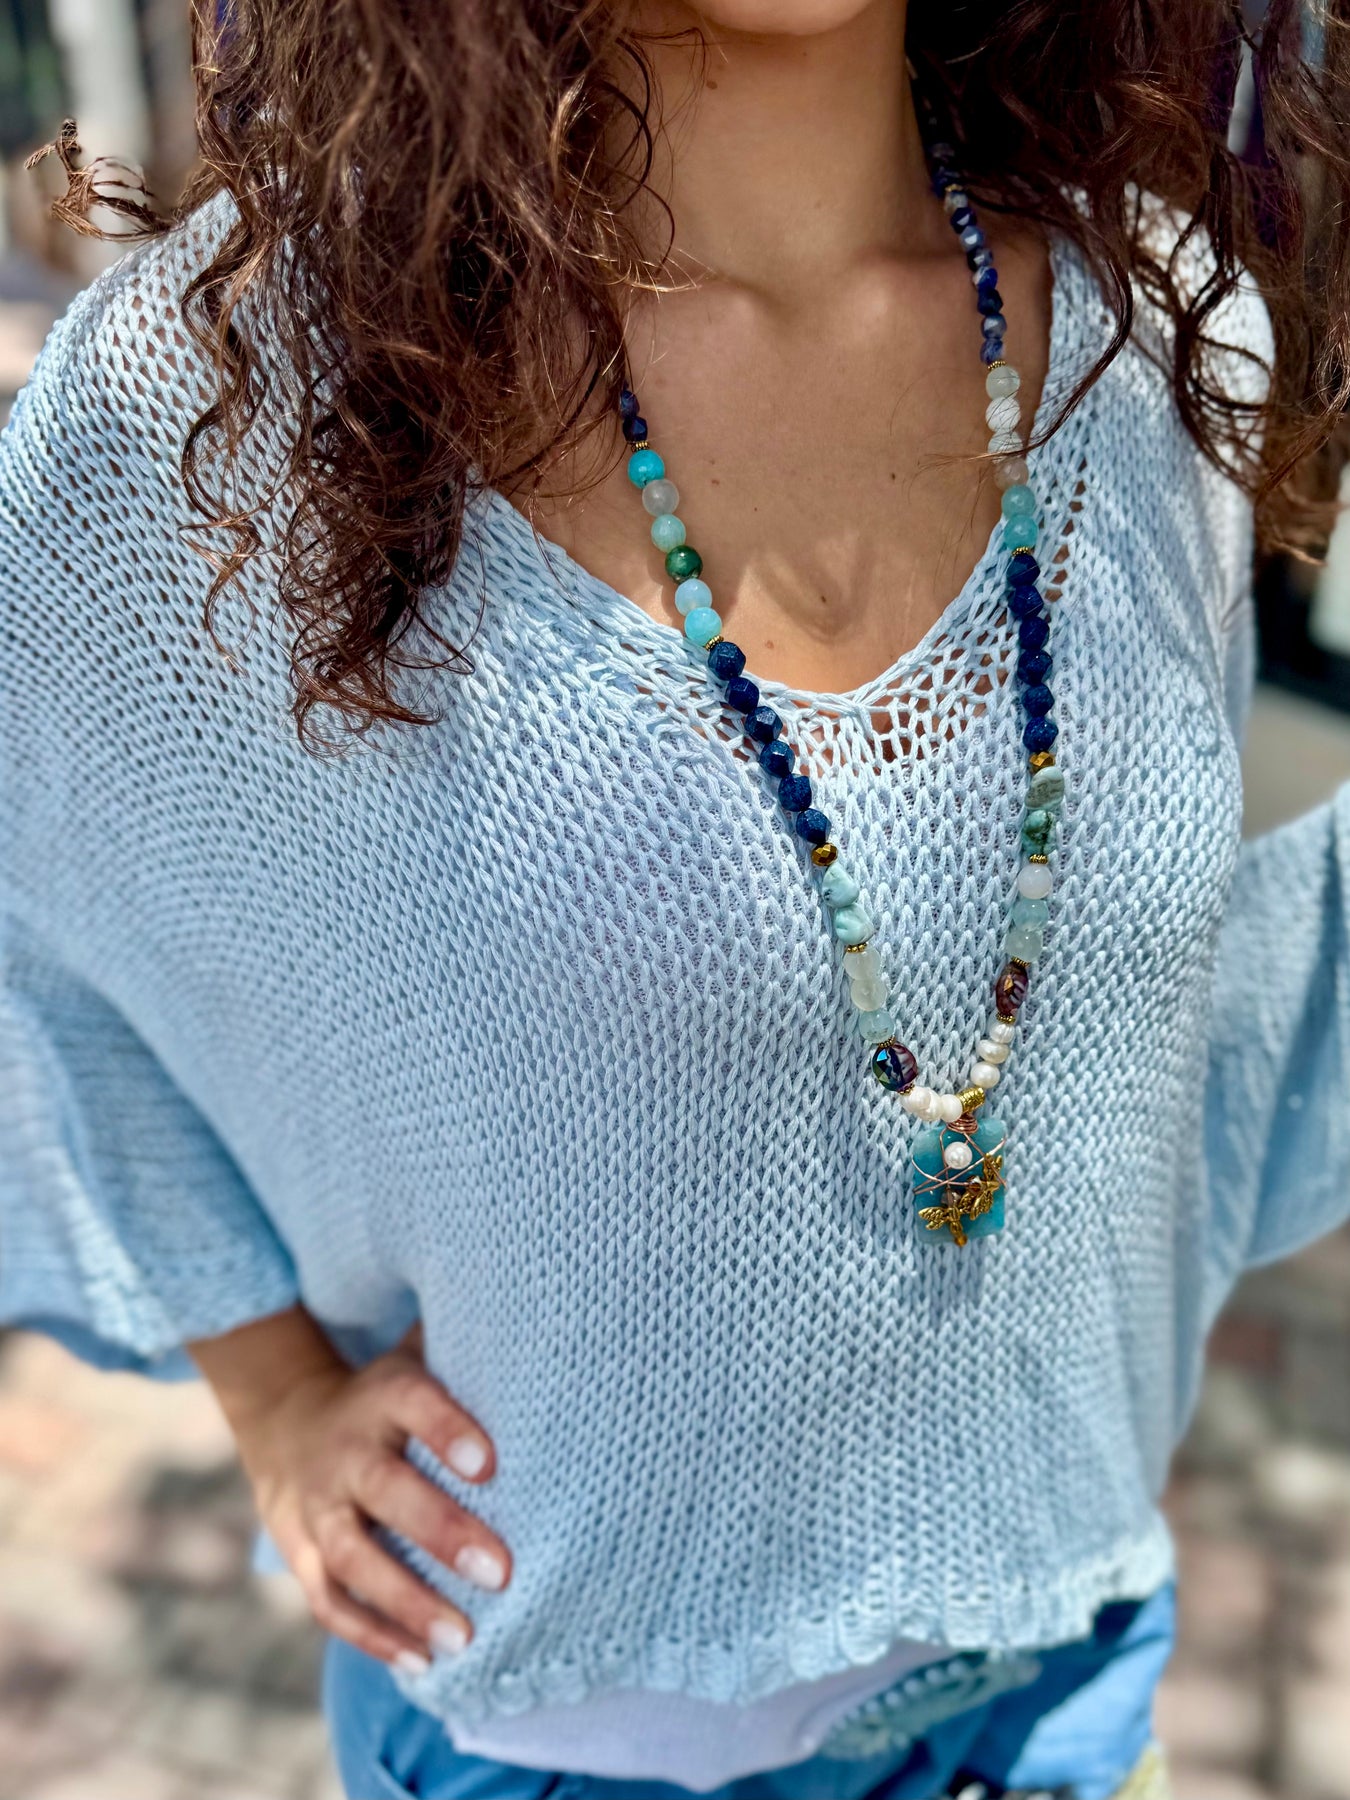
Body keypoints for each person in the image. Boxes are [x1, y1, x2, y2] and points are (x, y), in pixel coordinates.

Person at [2, 1, 1348, 1795]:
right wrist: (272, 1398)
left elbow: (1153, 1023)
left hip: (1061, 1683)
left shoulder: (1158, 337)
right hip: (566, 1725)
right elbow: (36, 902)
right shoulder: (238, 407)